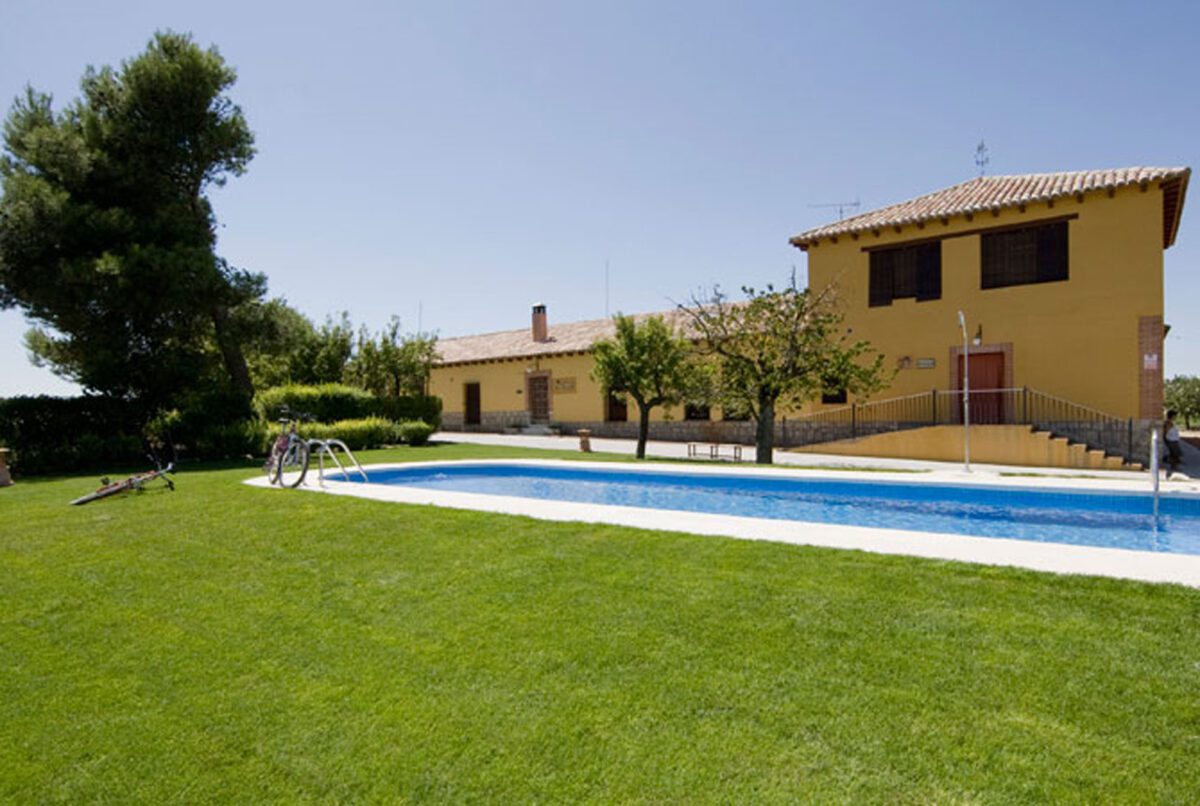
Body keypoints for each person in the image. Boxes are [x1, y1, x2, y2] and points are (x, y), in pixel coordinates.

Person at [1164, 410, 1183, 478]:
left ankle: (1173, 465)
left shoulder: (1172, 422)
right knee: (1175, 454)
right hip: (1171, 440)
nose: (1176, 417)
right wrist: (1166, 439)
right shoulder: (1168, 423)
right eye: (1175, 415)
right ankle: (1174, 466)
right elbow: (1166, 431)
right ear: (1172, 416)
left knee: (1174, 454)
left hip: (1174, 440)